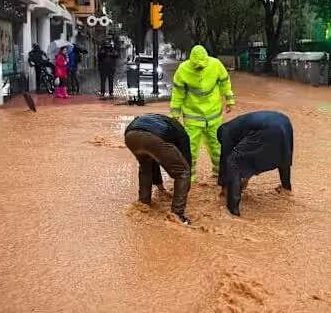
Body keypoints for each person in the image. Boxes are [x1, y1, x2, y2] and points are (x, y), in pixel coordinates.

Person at [170, 45, 235, 183]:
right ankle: (189, 177)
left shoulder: (216, 65)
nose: (199, 67)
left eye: (202, 66)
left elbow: (225, 82)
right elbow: (177, 94)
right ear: (191, 61)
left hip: (213, 115)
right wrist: (175, 114)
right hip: (193, 117)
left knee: (217, 146)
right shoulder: (182, 70)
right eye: (197, 66)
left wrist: (229, 99)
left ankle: (219, 174)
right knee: (190, 148)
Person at [217, 111, 293, 216]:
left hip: (269, 128)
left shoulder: (225, 132)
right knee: (283, 152)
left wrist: (224, 186)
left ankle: (232, 210)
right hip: (284, 122)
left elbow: (226, 159)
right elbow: (250, 152)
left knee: (232, 162)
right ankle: (286, 189)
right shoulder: (237, 124)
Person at [124, 114, 193, 224]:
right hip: (153, 137)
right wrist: (186, 186)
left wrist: (160, 186)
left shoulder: (160, 120)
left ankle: (143, 203)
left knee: (146, 168)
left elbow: (154, 160)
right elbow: (186, 162)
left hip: (131, 136)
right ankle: (177, 215)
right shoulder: (182, 134)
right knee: (183, 172)